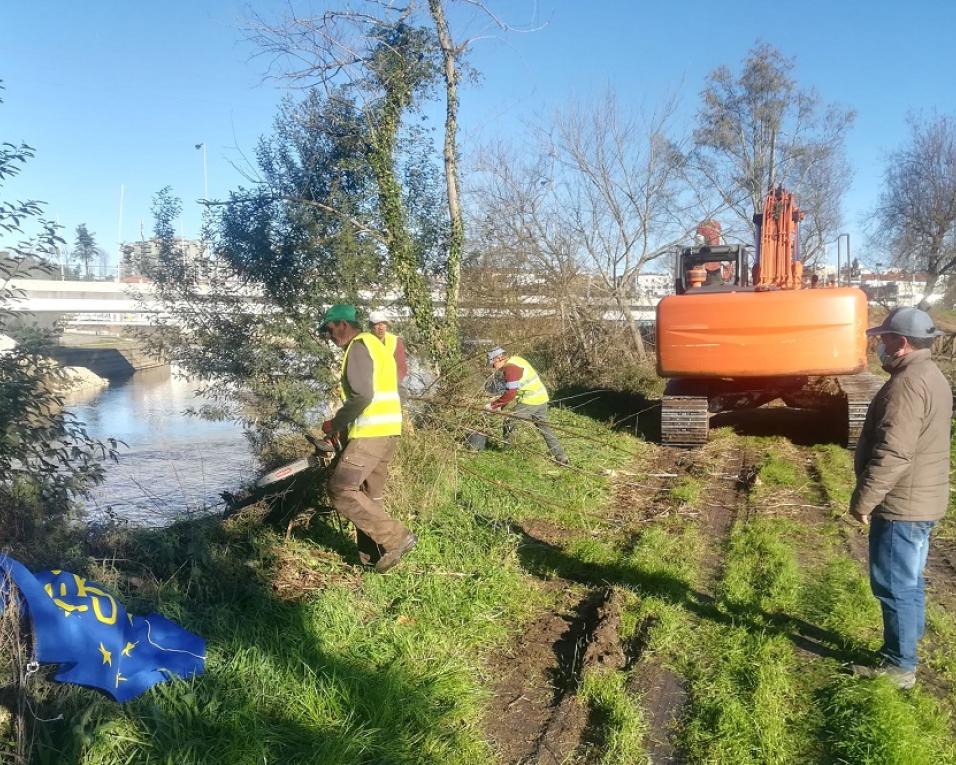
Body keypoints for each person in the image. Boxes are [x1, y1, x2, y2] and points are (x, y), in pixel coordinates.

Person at [850, 307, 951, 688]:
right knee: (908, 581)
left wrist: (864, 500)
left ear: (902, 342)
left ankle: (899, 665)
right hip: (923, 499)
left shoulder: (907, 384)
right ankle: (905, 647)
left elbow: (894, 452)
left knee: (893, 583)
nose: (881, 345)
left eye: (886, 338)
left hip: (902, 505)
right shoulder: (931, 375)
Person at [319, 304, 417, 573]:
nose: (329, 336)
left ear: (341, 324)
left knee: (340, 488)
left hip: (372, 432)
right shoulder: (376, 345)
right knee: (369, 495)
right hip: (388, 429)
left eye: (329, 329)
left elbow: (363, 395)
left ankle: (397, 538)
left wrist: (335, 423)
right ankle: (371, 560)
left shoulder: (359, 347)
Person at [485, 347, 569, 466]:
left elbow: (511, 393)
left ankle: (506, 454)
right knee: (545, 429)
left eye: (493, 363)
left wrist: (493, 405)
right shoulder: (516, 360)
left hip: (531, 400)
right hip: (541, 397)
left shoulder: (510, 368)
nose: (493, 367)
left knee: (509, 421)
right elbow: (512, 391)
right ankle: (562, 458)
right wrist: (501, 405)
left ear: (499, 358)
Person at [369, 310, 408, 390]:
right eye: (377, 324)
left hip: (391, 387)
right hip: (370, 387)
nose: (381, 327)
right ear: (371, 326)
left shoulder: (395, 341)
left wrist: (394, 383)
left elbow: (401, 367)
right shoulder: (364, 341)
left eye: (383, 324)